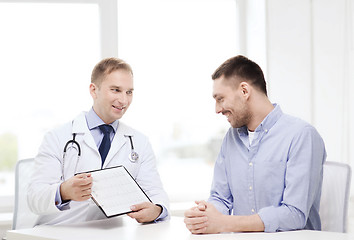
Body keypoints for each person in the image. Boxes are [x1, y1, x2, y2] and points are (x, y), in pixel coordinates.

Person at [184, 55, 326, 233]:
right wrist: (204, 216)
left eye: (220, 99)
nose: (217, 109)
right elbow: (221, 198)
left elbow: (294, 214)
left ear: (244, 91)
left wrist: (224, 223)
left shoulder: (302, 135)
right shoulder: (231, 138)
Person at [28, 57, 169, 225]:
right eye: (116, 90)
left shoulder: (139, 142)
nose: (124, 100)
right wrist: (64, 191)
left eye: (129, 92)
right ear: (94, 90)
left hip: (112, 234)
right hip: (60, 231)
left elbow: (156, 195)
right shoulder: (57, 137)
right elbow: (34, 198)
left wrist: (156, 210)